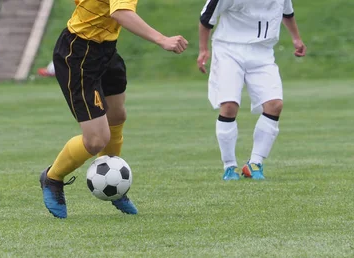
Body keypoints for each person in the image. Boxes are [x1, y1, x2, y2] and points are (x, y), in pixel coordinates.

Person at [39, 0, 188, 219]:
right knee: (96, 140)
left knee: (117, 115)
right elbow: (120, 12)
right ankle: (52, 178)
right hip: (80, 54)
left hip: (106, 50)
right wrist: (162, 39)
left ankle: (113, 181)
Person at [197, 0, 307, 180]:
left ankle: (255, 163)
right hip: (228, 49)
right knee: (229, 106)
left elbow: (287, 13)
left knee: (275, 104)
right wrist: (203, 50)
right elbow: (206, 19)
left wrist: (296, 38)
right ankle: (229, 166)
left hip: (263, 52)